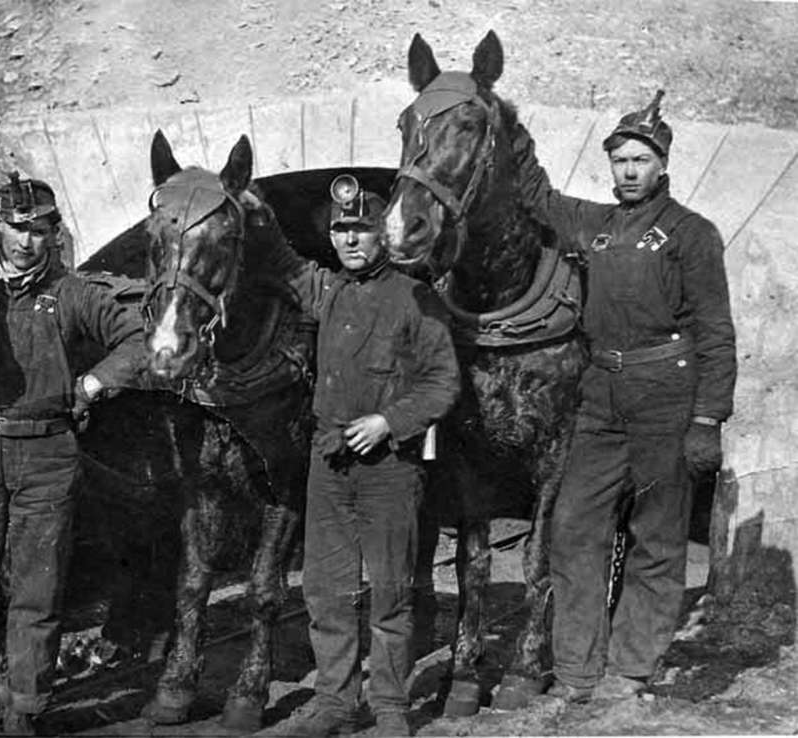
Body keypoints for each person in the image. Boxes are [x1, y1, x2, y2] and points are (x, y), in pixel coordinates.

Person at [510, 90, 737, 700]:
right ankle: (579, 669)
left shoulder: (693, 234)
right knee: (574, 525)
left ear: (663, 165)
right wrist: (507, 123)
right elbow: (537, 198)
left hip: (666, 391)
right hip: (600, 392)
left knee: (657, 534)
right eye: (620, 161)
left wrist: (708, 419)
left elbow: (715, 331)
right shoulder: (596, 225)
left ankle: (631, 667)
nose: (630, 171)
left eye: (641, 160)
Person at [0, 173, 147, 735]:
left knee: (37, 588)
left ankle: (25, 708)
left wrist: (92, 386)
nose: (28, 240)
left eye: (41, 230)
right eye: (17, 227)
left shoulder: (74, 294)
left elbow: (140, 339)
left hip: (47, 453)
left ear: (54, 233)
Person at [269, 175, 460, 736]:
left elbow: (442, 382)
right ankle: (334, 701)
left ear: (384, 234)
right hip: (327, 462)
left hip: (389, 469)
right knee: (325, 589)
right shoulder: (326, 291)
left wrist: (388, 422)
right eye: (340, 229)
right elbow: (275, 259)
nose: (351, 240)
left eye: (362, 228)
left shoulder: (415, 297)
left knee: (390, 589)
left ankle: (391, 705)